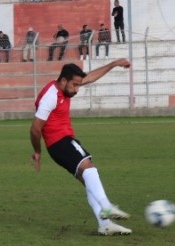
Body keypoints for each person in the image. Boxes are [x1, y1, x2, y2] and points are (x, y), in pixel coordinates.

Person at [29, 61, 133, 236]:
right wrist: (37, 152)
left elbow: (90, 77)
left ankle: (105, 224)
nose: (77, 89)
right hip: (60, 142)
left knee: (89, 181)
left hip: (60, 145)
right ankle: (106, 207)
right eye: (75, 85)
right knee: (89, 169)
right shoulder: (50, 96)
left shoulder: (66, 87)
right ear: (63, 80)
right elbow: (35, 128)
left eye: (78, 85)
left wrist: (114, 64)